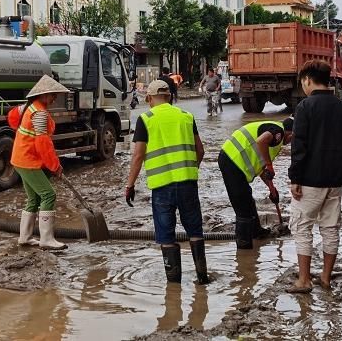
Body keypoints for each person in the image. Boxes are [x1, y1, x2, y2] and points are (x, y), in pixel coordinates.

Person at [124, 80, 209, 284]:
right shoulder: (186, 116)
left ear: (150, 99)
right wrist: (189, 170)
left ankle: (173, 288)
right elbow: (200, 151)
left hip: (162, 188)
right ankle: (203, 279)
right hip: (188, 183)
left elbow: (138, 156)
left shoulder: (146, 118)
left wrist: (130, 185)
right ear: (169, 97)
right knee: (195, 231)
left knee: (166, 236)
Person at [287, 60, 342, 293]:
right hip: (336, 180)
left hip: (310, 181)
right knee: (330, 228)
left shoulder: (306, 107)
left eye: (302, 82)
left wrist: (295, 178)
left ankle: (304, 280)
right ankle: (325, 278)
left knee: (302, 227)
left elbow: (299, 146)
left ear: (307, 80)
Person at [9, 75, 71, 251]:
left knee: (33, 198)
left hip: (19, 158)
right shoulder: (40, 113)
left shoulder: (28, 107)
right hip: (27, 160)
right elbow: (43, 143)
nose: (54, 99)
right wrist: (55, 166)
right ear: (44, 95)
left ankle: (25, 237)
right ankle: (46, 239)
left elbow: (12, 119)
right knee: (48, 195)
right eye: (53, 95)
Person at [218, 118, 294, 250]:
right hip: (232, 160)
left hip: (232, 161)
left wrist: (272, 189)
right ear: (291, 134)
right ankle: (244, 250)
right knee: (243, 207)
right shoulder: (278, 133)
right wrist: (270, 165)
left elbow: (262, 168)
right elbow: (261, 141)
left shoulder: (275, 138)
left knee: (247, 200)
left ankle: (256, 232)